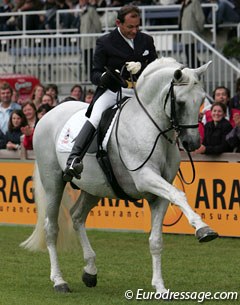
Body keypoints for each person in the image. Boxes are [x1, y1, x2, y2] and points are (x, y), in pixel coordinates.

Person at [63, 4, 158, 181]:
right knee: (96, 116)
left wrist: (143, 67)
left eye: (137, 26)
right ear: (118, 23)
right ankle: (74, 159)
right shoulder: (105, 41)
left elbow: (156, 67)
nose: (135, 30)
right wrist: (105, 77)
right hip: (114, 90)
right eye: (130, 27)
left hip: (140, 91)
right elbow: (94, 73)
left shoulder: (146, 40)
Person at [179, 0, 205, 68]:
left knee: (191, 56)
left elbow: (200, 18)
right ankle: (199, 69)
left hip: (192, 34)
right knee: (190, 56)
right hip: (185, 35)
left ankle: (198, 70)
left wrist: (199, 29)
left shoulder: (195, 2)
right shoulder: (184, 3)